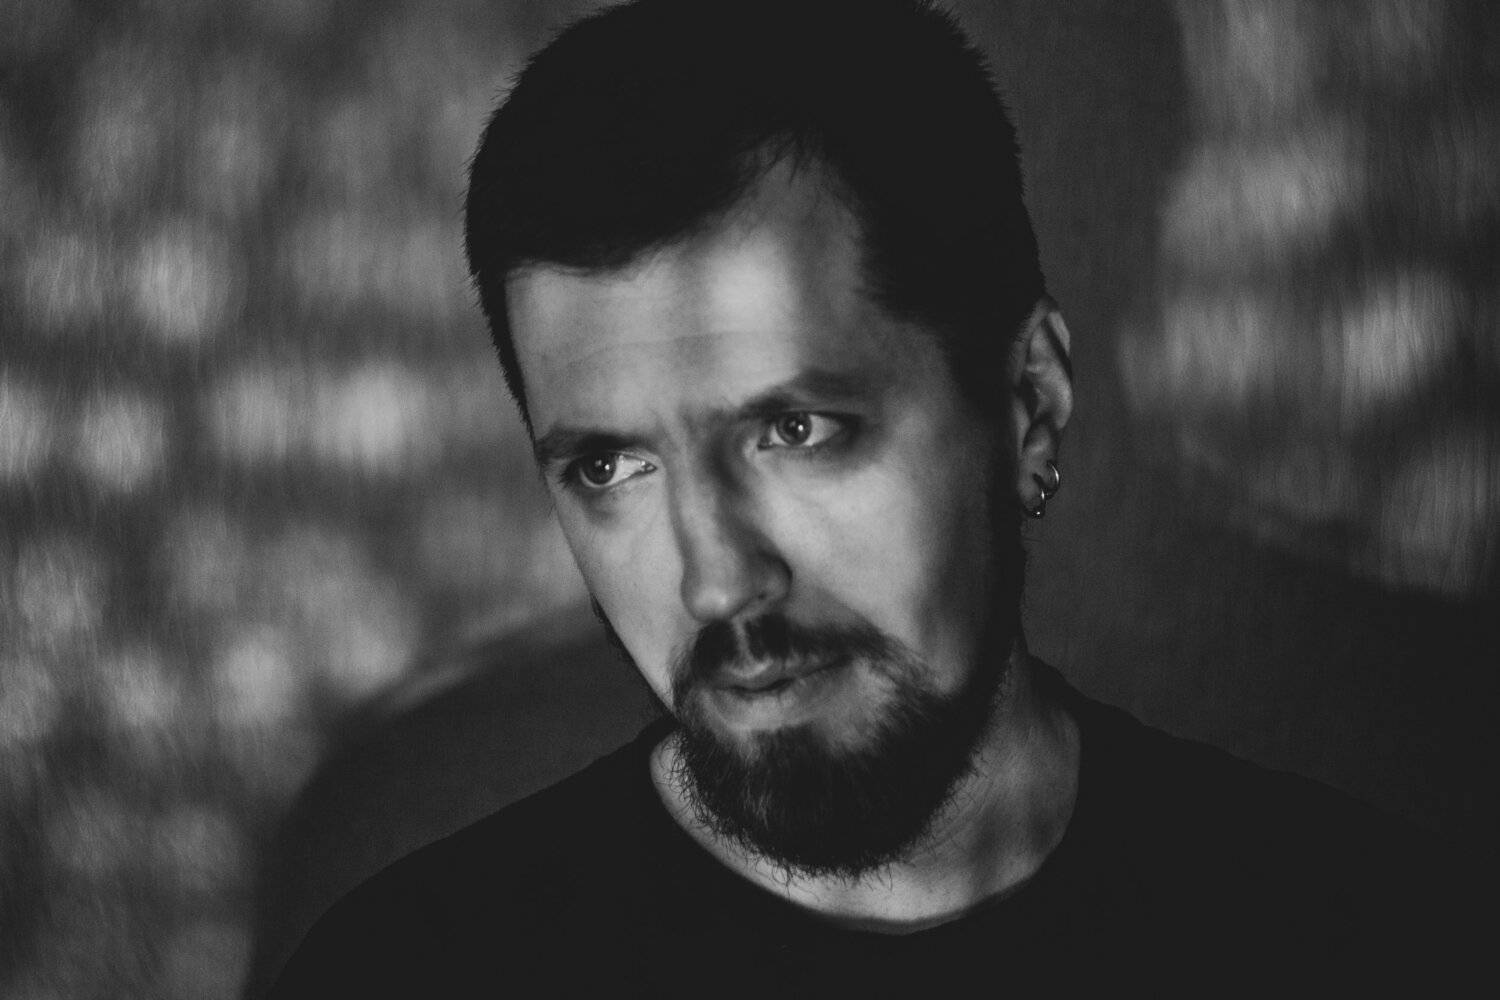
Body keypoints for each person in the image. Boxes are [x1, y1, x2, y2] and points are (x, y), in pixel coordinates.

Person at [266, 1, 1467, 995]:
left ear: (1029, 404)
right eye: (610, 468)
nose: (718, 580)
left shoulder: (1360, 933)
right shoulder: (414, 969)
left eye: (795, 431)